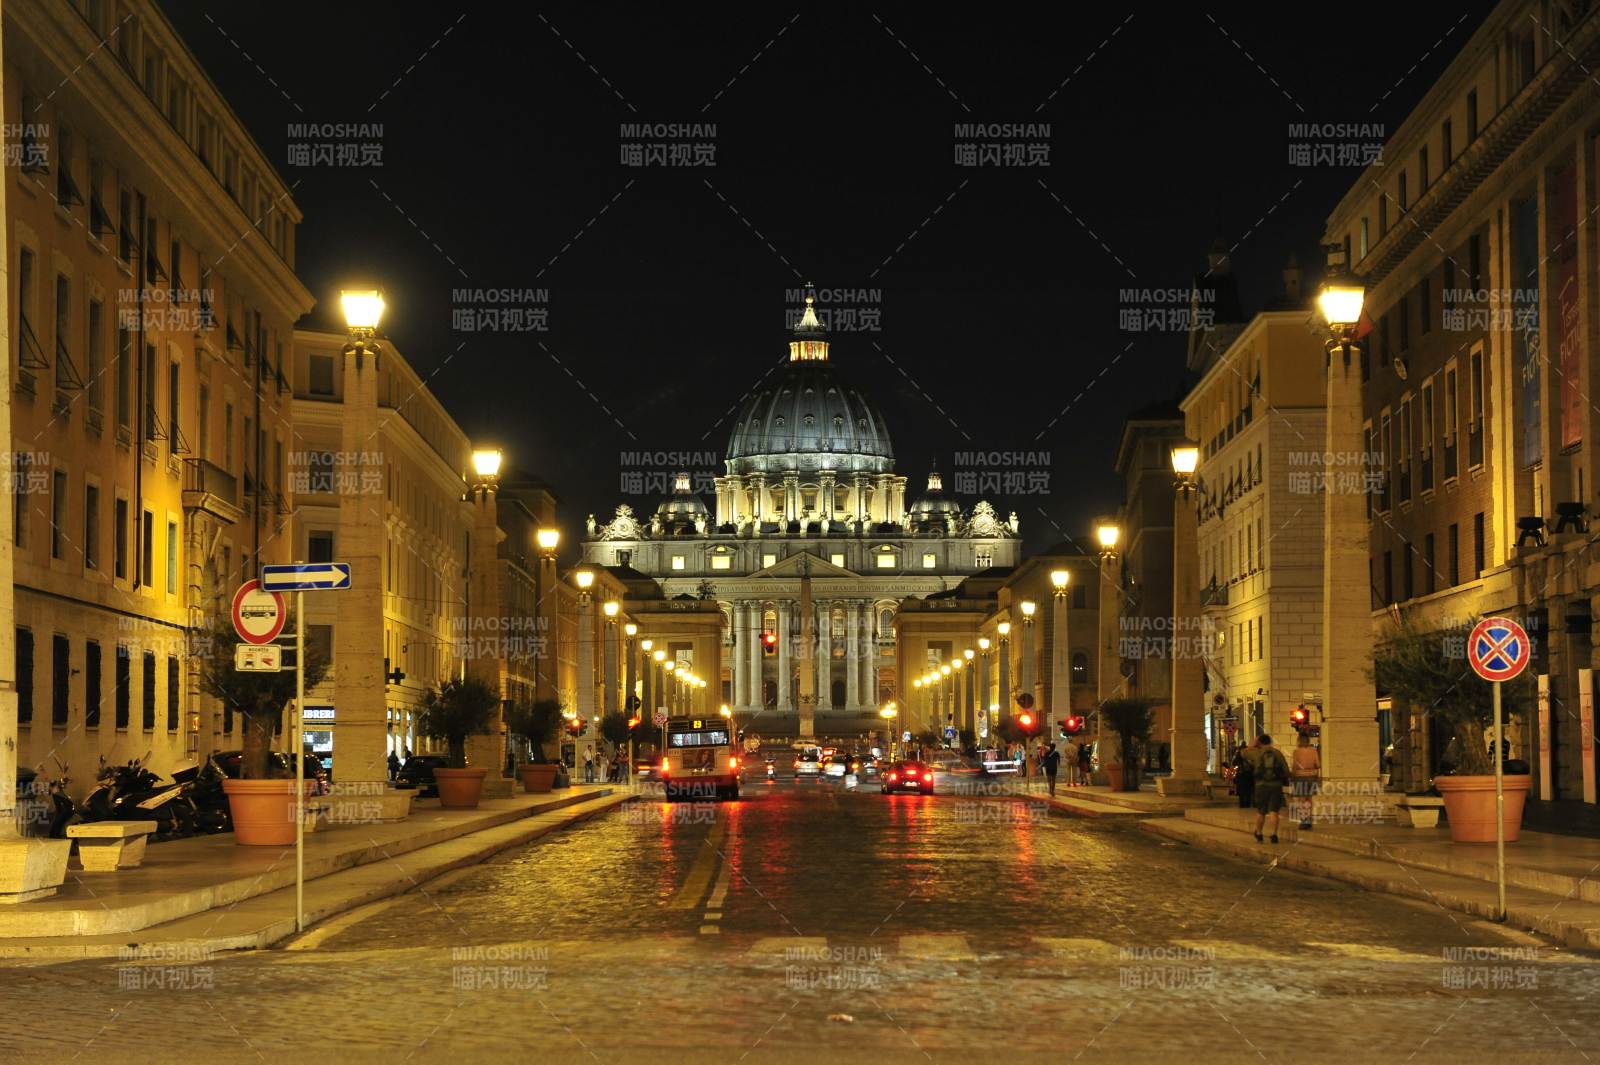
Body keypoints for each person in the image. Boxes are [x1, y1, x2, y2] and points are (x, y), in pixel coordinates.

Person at [1251, 734, 1290, 843]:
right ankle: (1273, 834)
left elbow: (1243, 753)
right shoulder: (1277, 753)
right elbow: (1286, 770)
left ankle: (1259, 833)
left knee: (1261, 811)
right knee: (1274, 811)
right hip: (1276, 785)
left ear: (1260, 742)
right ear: (1270, 741)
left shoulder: (1257, 753)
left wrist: (1253, 745)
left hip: (1261, 786)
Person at [1290, 732, 1321, 829]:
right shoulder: (1313, 751)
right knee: (1309, 798)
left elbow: (1295, 765)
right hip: (1312, 777)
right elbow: (1318, 765)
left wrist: (1292, 776)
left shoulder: (1297, 751)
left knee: (1301, 799)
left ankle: (1304, 820)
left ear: (1299, 741)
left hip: (1300, 776)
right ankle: (1308, 819)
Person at [1230, 738, 1258, 810]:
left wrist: (1232, 777)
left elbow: (1233, 765)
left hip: (1241, 776)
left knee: (1242, 794)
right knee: (1249, 793)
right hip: (1249, 776)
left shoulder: (1238, 755)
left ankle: (1243, 807)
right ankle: (1247, 806)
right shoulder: (1249, 754)